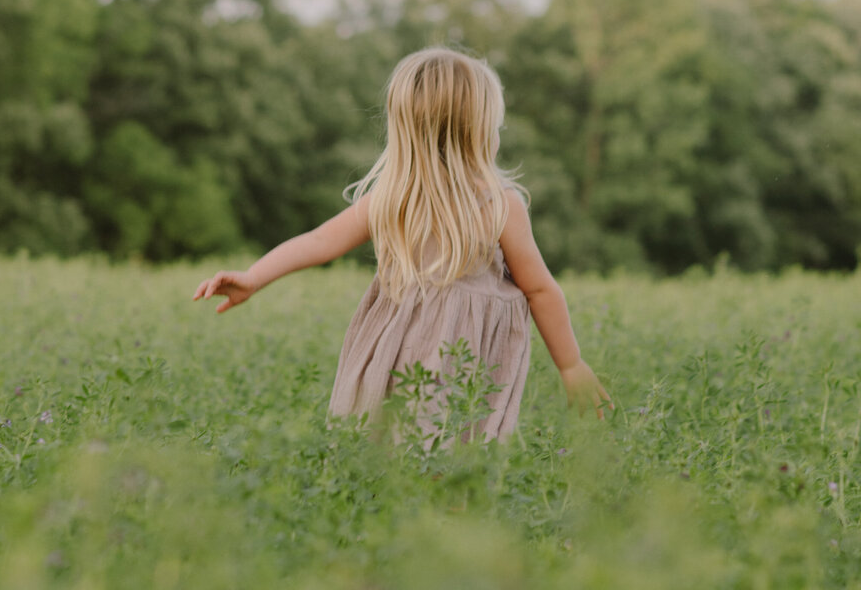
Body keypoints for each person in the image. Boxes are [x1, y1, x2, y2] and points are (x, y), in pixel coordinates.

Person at [193, 45, 612, 440]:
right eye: (495, 125)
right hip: (461, 361)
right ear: (477, 131)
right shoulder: (497, 205)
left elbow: (320, 241)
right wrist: (570, 364)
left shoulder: (394, 200)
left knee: (395, 449)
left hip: (400, 354)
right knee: (456, 454)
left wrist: (254, 276)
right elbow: (539, 288)